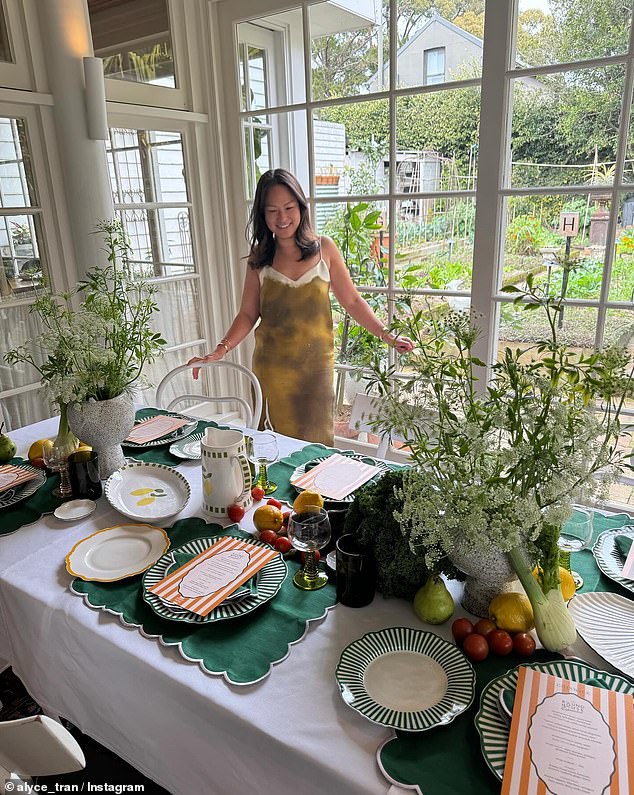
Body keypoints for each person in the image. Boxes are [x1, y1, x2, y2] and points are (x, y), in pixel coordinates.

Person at [188, 168, 414, 446]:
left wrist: (387, 335)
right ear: (262, 214)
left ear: (301, 206)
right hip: (271, 372)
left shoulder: (325, 249)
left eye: (288, 207)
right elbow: (248, 314)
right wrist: (219, 350)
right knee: (271, 449)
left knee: (315, 450)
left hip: (315, 372)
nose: (282, 218)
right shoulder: (259, 258)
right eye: (272, 210)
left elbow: (352, 301)